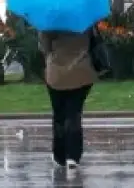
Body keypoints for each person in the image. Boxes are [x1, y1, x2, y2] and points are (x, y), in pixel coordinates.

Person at [39, 29, 98, 169]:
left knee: (59, 113)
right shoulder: (85, 20)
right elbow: (93, 42)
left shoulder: (50, 23)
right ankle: (73, 155)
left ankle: (59, 155)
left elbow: (44, 47)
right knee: (74, 112)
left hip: (56, 73)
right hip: (81, 71)